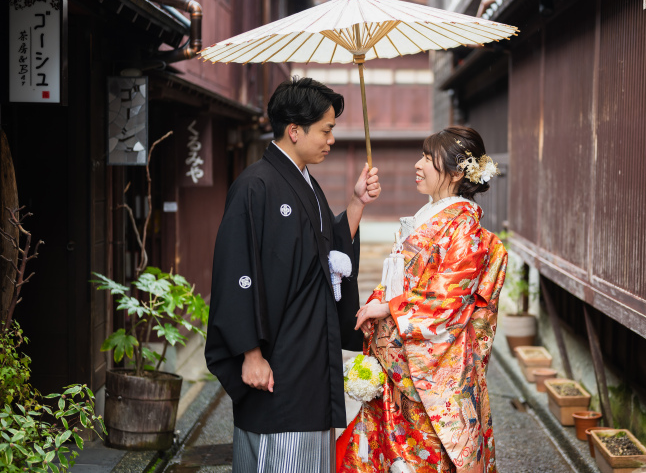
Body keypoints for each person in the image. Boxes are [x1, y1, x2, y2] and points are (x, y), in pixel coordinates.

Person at [205, 77, 380, 473]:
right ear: (294, 130)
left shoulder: (306, 184)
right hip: (277, 358)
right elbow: (236, 270)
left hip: (309, 354)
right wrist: (250, 353)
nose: (331, 138)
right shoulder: (254, 186)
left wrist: (357, 202)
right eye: (327, 129)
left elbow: (325, 251)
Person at [339, 126, 508, 473]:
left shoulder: (465, 229)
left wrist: (387, 307)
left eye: (428, 160)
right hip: (400, 356)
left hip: (431, 364)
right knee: (393, 451)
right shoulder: (427, 219)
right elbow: (397, 280)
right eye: (422, 156)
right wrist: (379, 304)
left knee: (423, 456)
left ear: (458, 172)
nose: (418, 165)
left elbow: (449, 299)